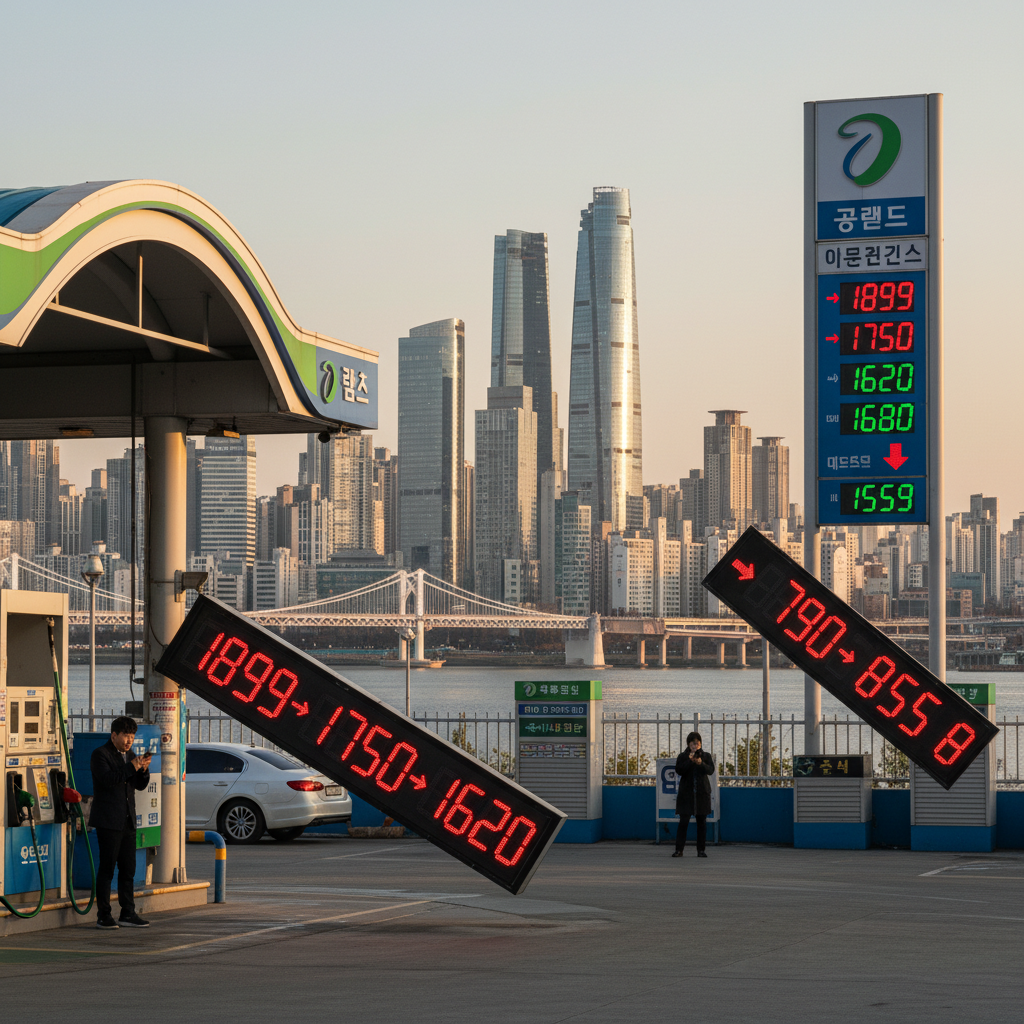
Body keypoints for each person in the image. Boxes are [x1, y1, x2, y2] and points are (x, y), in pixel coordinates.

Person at [89, 716, 153, 929]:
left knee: (128, 870)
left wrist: (143, 770)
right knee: (107, 869)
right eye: (125, 736)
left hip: (128, 820)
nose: (129, 741)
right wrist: (131, 767)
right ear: (114, 735)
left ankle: (128, 913)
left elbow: (138, 785)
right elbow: (108, 780)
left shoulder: (130, 756)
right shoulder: (100, 754)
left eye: (132, 736)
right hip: (108, 820)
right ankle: (104, 915)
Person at [672, 731, 715, 859]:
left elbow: (710, 770)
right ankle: (679, 850)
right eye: (692, 744)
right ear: (688, 744)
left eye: (697, 743)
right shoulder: (683, 756)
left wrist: (701, 763)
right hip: (686, 794)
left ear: (700, 744)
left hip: (702, 793)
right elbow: (679, 770)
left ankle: (701, 850)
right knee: (683, 822)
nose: (695, 746)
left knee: (701, 823)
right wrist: (690, 761)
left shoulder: (706, 756)